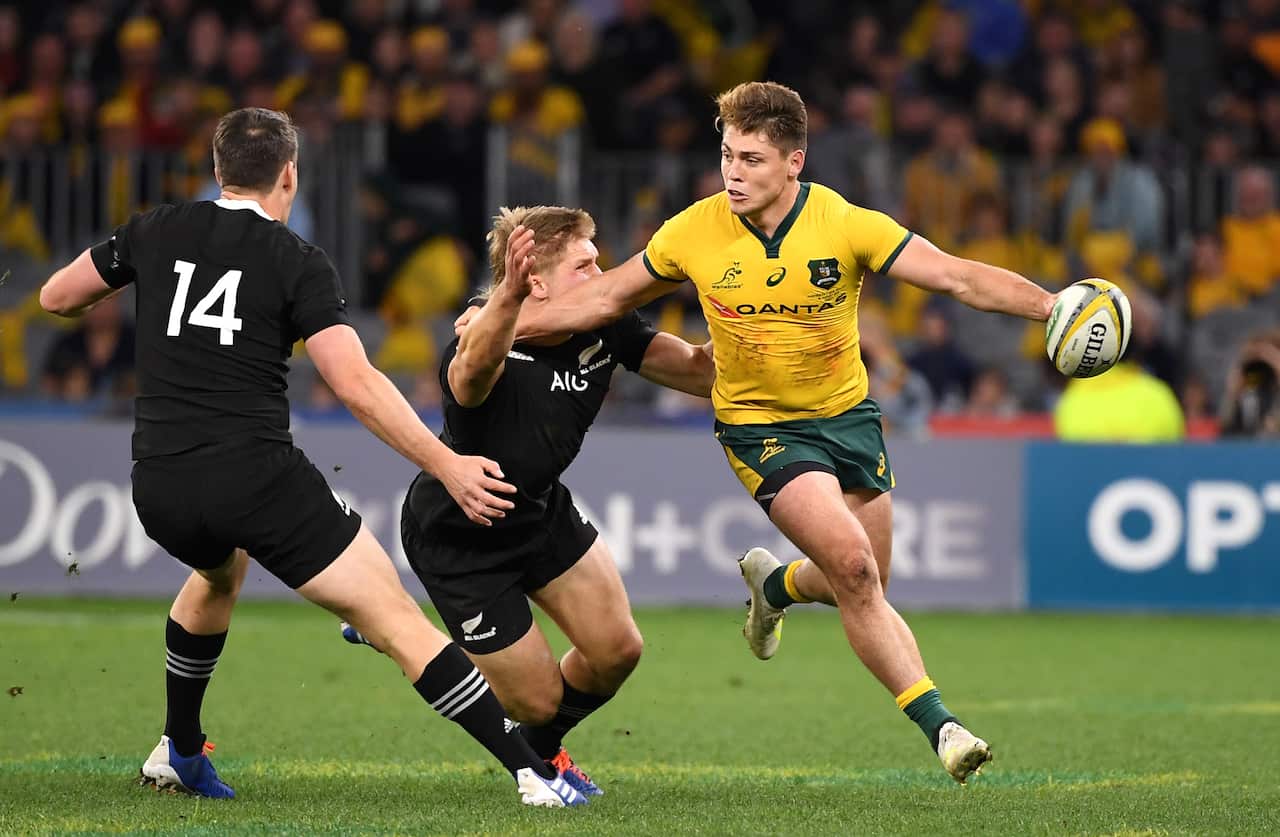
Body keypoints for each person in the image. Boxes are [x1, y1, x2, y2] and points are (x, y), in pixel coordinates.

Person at [492, 81, 1060, 784]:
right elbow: (603, 299)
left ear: (795, 161)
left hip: (849, 419)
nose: (734, 172)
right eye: (728, 154)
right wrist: (497, 321)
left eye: (753, 159)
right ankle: (941, 724)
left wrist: (1052, 304)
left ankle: (778, 586)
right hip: (760, 427)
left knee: (866, 577)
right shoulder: (692, 231)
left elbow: (953, 277)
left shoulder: (845, 223)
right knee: (854, 568)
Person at [37, 108, 586, 808]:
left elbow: (56, 297)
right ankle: (530, 773)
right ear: (289, 174)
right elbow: (354, 383)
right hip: (255, 479)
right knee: (396, 617)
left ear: (217, 171)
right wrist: (447, 464)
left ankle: (179, 746)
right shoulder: (296, 260)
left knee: (215, 572)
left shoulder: (155, 228)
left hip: (160, 483)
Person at [345, 205, 715, 796]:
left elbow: (699, 374)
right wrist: (507, 304)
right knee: (539, 702)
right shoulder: (480, 341)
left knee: (618, 651)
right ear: (533, 281)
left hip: (540, 511)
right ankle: (408, 632)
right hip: (461, 534)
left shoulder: (606, 325)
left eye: (597, 259)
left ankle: (542, 756)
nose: (601, 273)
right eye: (583, 264)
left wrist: (758, 330)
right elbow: (472, 371)